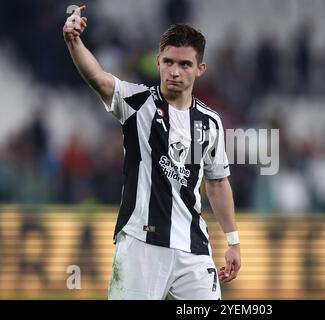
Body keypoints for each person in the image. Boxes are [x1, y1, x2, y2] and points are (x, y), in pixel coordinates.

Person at [63, 5, 241, 300]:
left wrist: (233, 241)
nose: (175, 71)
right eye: (169, 62)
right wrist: (73, 41)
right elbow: (98, 77)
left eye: (185, 64)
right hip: (140, 244)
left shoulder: (209, 123)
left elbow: (218, 182)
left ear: (200, 69)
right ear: (158, 62)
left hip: (193, 248)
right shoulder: (138, 103)